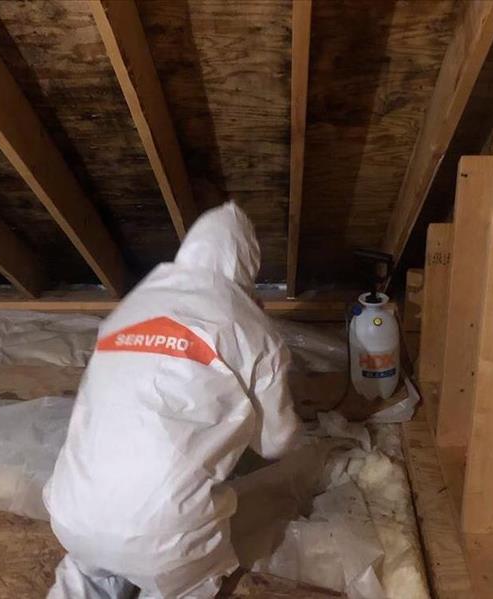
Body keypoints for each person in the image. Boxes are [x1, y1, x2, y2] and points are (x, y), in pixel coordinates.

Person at [44, 202, 301, 598]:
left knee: (89, 569)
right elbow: (276, 443)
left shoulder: (127, 311)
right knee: (181, 579)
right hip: (167, 539)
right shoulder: (252, 330)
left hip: (71, 515)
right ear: (247, 267)